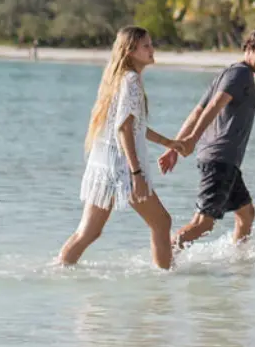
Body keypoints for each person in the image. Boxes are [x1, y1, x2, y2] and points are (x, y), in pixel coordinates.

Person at [58, 26, 183, 270]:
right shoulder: (132, 80)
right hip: (122, 167)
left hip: (106, 163)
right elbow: (124, 130)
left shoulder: (120, 78)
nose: (152, 49)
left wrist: (168, 143)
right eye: (146, 46)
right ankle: (164, 282)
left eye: (150, 44)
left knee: (89, 233)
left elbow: (134, 126)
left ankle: (58, 268)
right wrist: (136, 174)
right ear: (130, 51)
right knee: (161, 222)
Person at [162, 27, 255, 249]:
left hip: (225, 161)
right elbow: (213, 107)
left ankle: (239, 264)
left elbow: (197, 111)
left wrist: (173, 148)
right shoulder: (240, 74)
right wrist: (190, 140)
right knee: (202, 224)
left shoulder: (228, 73)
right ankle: (164, 260)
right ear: (249, 49)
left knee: (246, 214)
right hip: (220, 159)